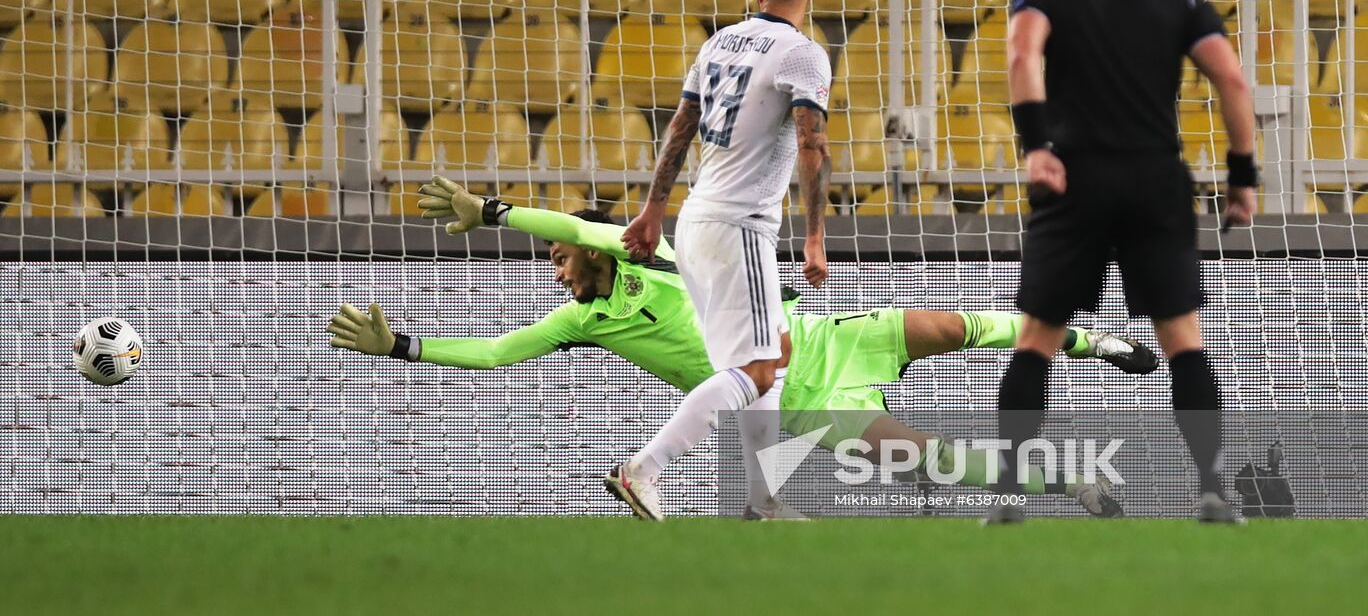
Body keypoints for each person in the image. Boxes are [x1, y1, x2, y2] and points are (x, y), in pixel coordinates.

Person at [325, 177, 1154, 517]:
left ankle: (1092, 339)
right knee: (929, 459)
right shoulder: (584, 322)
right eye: (552, 256)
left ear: (598, 253)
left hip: (831, 338)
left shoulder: (655, 258)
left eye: (559, 256)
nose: (554, 262)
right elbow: (497, 353)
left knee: (952, 326)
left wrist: (497, 212)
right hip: (803, 400)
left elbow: (575, 223)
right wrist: (404, 344)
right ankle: (1070, 483)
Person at [987, 0, 1257, 526]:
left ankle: (1005, 495)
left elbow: (1022, 55)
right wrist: (1242, 175)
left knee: (1037, 338)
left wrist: (1036, 146)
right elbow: (1232, 79)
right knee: (1181, 338)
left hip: (1071, 178)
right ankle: (1212, 489)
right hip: (1154, 179)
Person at [612, 0, 833, 520]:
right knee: (757, 370)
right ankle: (644, 469)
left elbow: (682, 125)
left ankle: (762, 500)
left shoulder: (718, 41)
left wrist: (653, 210)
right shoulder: (804, 55)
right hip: (739, 228)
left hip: (696, 221)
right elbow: (812, 144)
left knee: (773, 352)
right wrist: (814, 236)